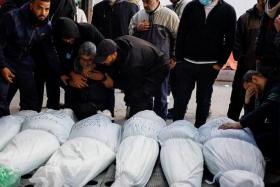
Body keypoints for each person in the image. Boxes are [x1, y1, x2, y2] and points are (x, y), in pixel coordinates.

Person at [173, 0, 236, 127]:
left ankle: (200, 129)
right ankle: (175, 128)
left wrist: (220, 63)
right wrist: (179, 60)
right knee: (181, 98)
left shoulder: (228, 11)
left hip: (209, 65)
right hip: (187, 63)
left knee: (203, 100)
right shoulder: (191, 7)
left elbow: (230, 40)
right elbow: (181, 33)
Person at [0, 0, 60, 117]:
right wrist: (2, 66)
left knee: (31, 100)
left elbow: (50, 51)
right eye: (40, 8)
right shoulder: (11, 18)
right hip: (6, 60)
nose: (43, 13)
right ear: (31, 5)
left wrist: (61, 73)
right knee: (1, 99)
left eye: (47, 9)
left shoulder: (46, 25)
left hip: (24, 61)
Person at [94, 35, 169, 118]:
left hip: (159, 66)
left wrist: (114, 83)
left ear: (114, 54)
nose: (102, 62)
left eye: (104, 59)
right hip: (144, 61)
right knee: (136, 96)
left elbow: (132, 84)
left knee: (141, 96)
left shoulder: (133, 64)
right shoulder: (116, 45)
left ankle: (148, 120)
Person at [129, 0, 179, 119]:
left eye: (148, 1)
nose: (145, 4)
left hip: (162, 64)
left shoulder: (170, 16)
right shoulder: (138, 16)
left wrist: (174, 57)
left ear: (157, 0)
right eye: (143, 1)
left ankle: (160, 123)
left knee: (161, 97)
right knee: (142, 95)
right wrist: (137, 28)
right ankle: (143, 123)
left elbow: (179, 37)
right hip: (142, 64)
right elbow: (129, 37)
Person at [220, 70, 280, 168]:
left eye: (249, 88)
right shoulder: (261, 92)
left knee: (260, 139)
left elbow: (264, 109)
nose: (249, 91)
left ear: (254, 79)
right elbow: (254, 120)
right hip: (273, 127)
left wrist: (239, 124)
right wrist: (247, 102)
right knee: (253, 133)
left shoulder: (276, 88)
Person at [227, 0, 265, 121]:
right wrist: (244, 61)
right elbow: (236, 44)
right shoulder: (245, 19)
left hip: (265, 73)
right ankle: (229, 128)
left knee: (257, 106)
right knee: (236, 102)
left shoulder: (274, 19)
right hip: (245, 70)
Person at [64, 42, 112, 120]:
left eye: (90, 60)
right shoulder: (73, 67)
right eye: (83, 59)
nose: (86, 63)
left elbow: (110, 85)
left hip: (98, 106)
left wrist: (100, 77)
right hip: (78, 106)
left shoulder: (102, 66)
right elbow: (64, 81)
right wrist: (71, 81)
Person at [256, 0, 280, 81]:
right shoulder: (266, 8)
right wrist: (257, 55)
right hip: (262, 61)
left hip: (276, 64)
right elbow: (261, 34)